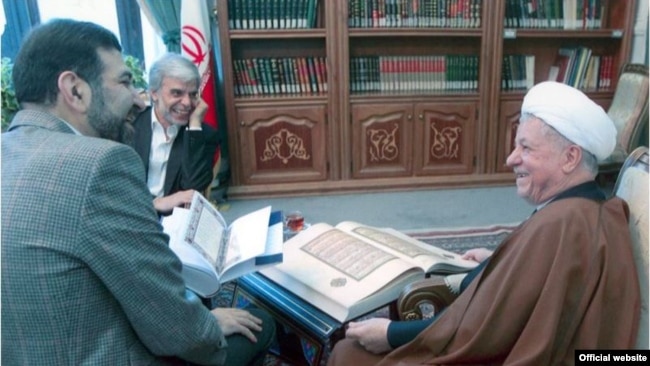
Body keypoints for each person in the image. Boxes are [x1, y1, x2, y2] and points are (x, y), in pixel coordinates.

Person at [1, 19, 274, 366]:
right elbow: (177, 330)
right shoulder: (100, 162)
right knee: (261, 325)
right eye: (125, 81)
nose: (136, 98)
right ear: (75, 90)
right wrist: (207, 324)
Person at [327, 81, 641, 365]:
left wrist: (392, 333)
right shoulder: (591, 209)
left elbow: (482, 329)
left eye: (526, 148)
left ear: (570, 158)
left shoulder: (561, 224)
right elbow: (534, 286)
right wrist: (499, 261)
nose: (511, 159)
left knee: (348, 354)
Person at [131, 53, 219, 215]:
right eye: (177, 93)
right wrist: (155, 203)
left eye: (193, 94)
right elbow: (118, 187)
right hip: (132, 216)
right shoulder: (131, 126)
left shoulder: (202, 135)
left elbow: (194, 188)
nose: (187, 103)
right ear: (154, 93)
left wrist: (194, 125)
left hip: (173, 222)